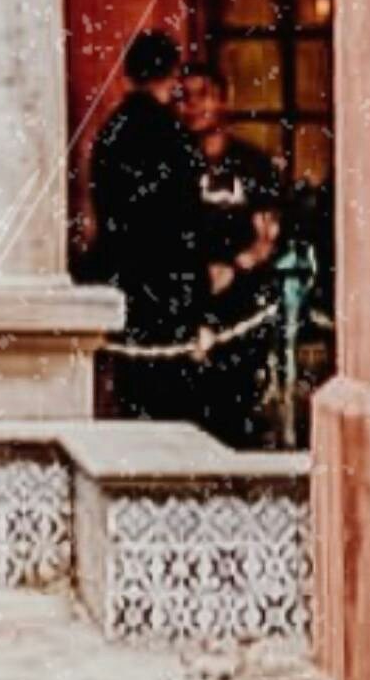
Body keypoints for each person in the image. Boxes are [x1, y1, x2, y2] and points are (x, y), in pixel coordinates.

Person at [85, 28, 204, 426]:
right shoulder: (175, 137)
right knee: (171, 395)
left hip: (121, 271)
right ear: (172, 75)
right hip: (168, 278)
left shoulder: (111, 132)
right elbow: (187, 216)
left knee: (128, 391)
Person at [181, 67, 289, 450]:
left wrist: (237, 267)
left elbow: (269, 235)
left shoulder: (253, 166)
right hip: (188, 301)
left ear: (223, 99)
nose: (194, 106)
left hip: (241, 304)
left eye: (203, 95)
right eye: (185, 97)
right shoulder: (174, 166)